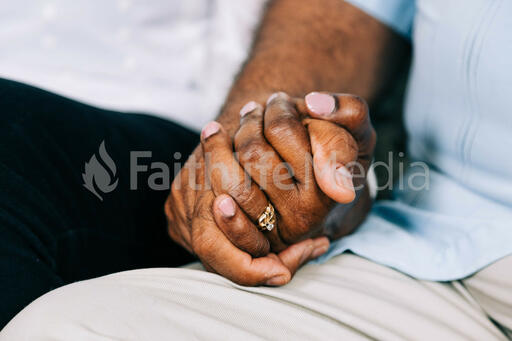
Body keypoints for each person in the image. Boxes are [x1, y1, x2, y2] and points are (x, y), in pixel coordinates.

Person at [1, 0, 512, 340]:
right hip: (429, 239)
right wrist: (255, 147)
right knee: (64, 329)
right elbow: (344, 16)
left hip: (154, 113)